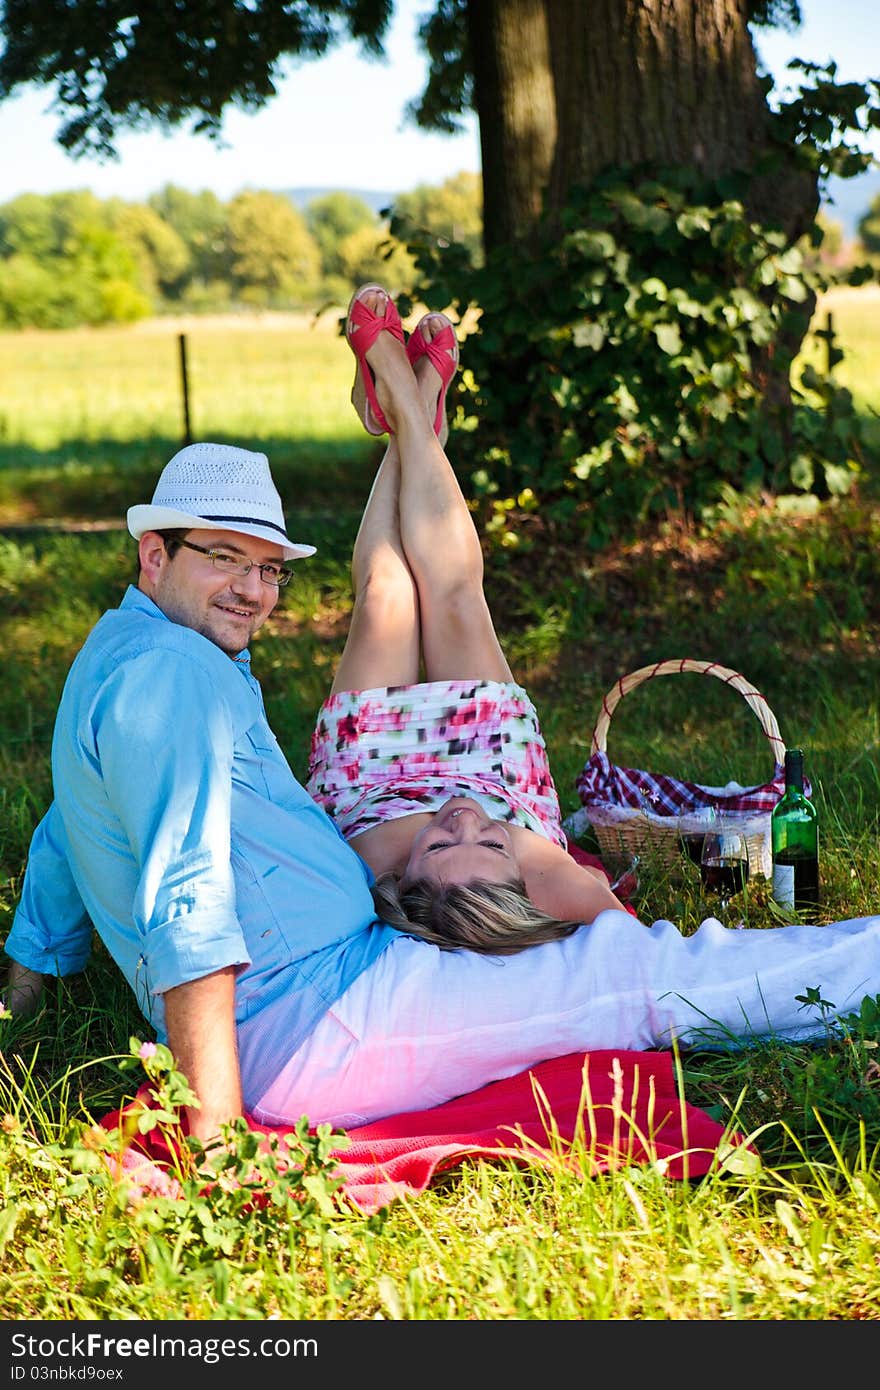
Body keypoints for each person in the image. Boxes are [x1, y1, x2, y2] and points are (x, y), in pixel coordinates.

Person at [5, 298, 880, 1143]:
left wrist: (24, 997)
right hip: (323, 1020)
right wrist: (218, 1129)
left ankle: (406, 404)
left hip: (337, 988)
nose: (253, 591)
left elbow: (64, 832)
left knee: (626, 972)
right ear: (154, 554)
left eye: (270, 570)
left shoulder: (136, 657)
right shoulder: (169, 680)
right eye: (225, 559)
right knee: (632, 976)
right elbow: (184, 900)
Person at [306, 283, 625, 954]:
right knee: (454, 593)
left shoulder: (358, 879)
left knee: (386, 594)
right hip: (498, 771)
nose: (465, 818)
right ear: (522, 881)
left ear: (403, 886)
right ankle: (407, 402)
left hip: (369, 781)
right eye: (490, 840)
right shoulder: (559, 884)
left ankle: (407, 408)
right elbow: (646, 964)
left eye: (443, 842)